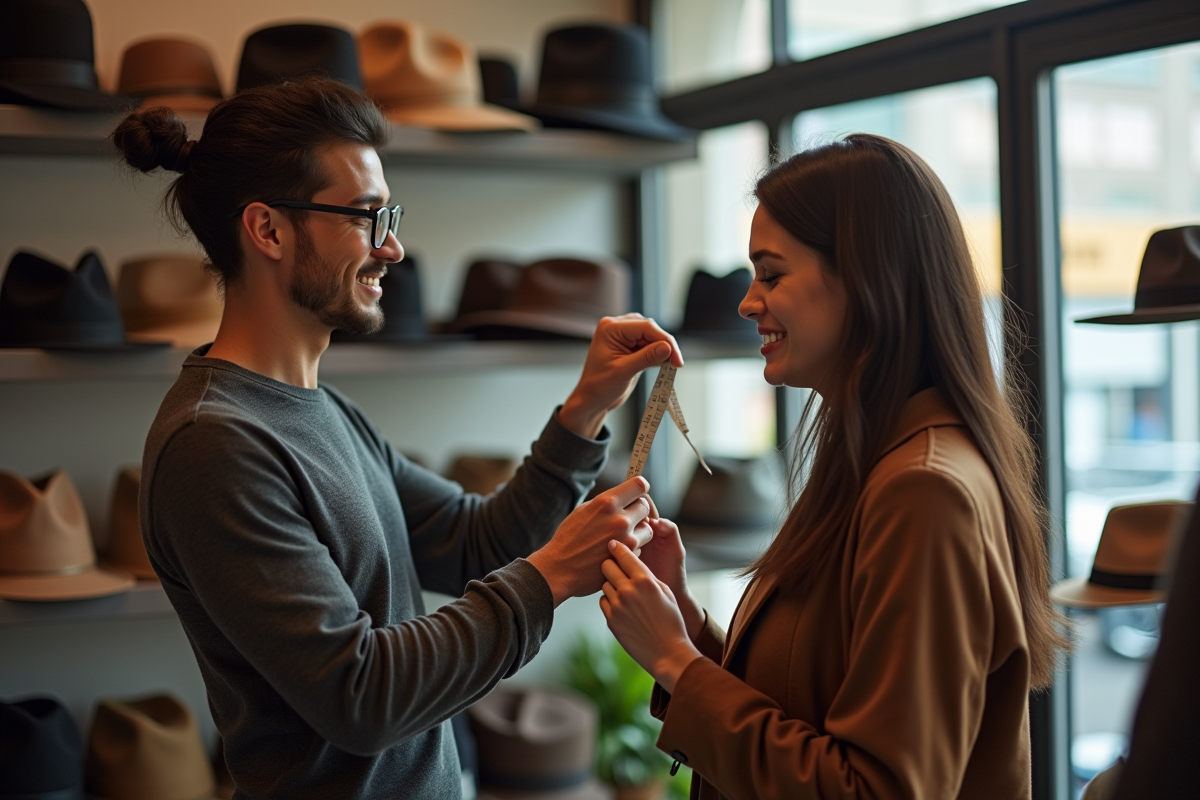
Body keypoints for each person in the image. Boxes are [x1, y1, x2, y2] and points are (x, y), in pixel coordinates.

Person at [112, 78, 681, 800]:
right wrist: (550, 577)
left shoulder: (325, 410)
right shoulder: (214, 445)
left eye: (390, 216)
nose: (393, 247)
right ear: (268, 230)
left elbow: (476, 542)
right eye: (366, 217)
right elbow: (360, 696)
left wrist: (586, 407)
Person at [599, 133, 1070, 799]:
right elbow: (809, 702)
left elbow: (874, 789)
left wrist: (676, 662)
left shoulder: (924, 490)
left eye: (772, 274)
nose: (748, 302)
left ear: (867, 278)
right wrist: (686, 624)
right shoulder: (874, 462)